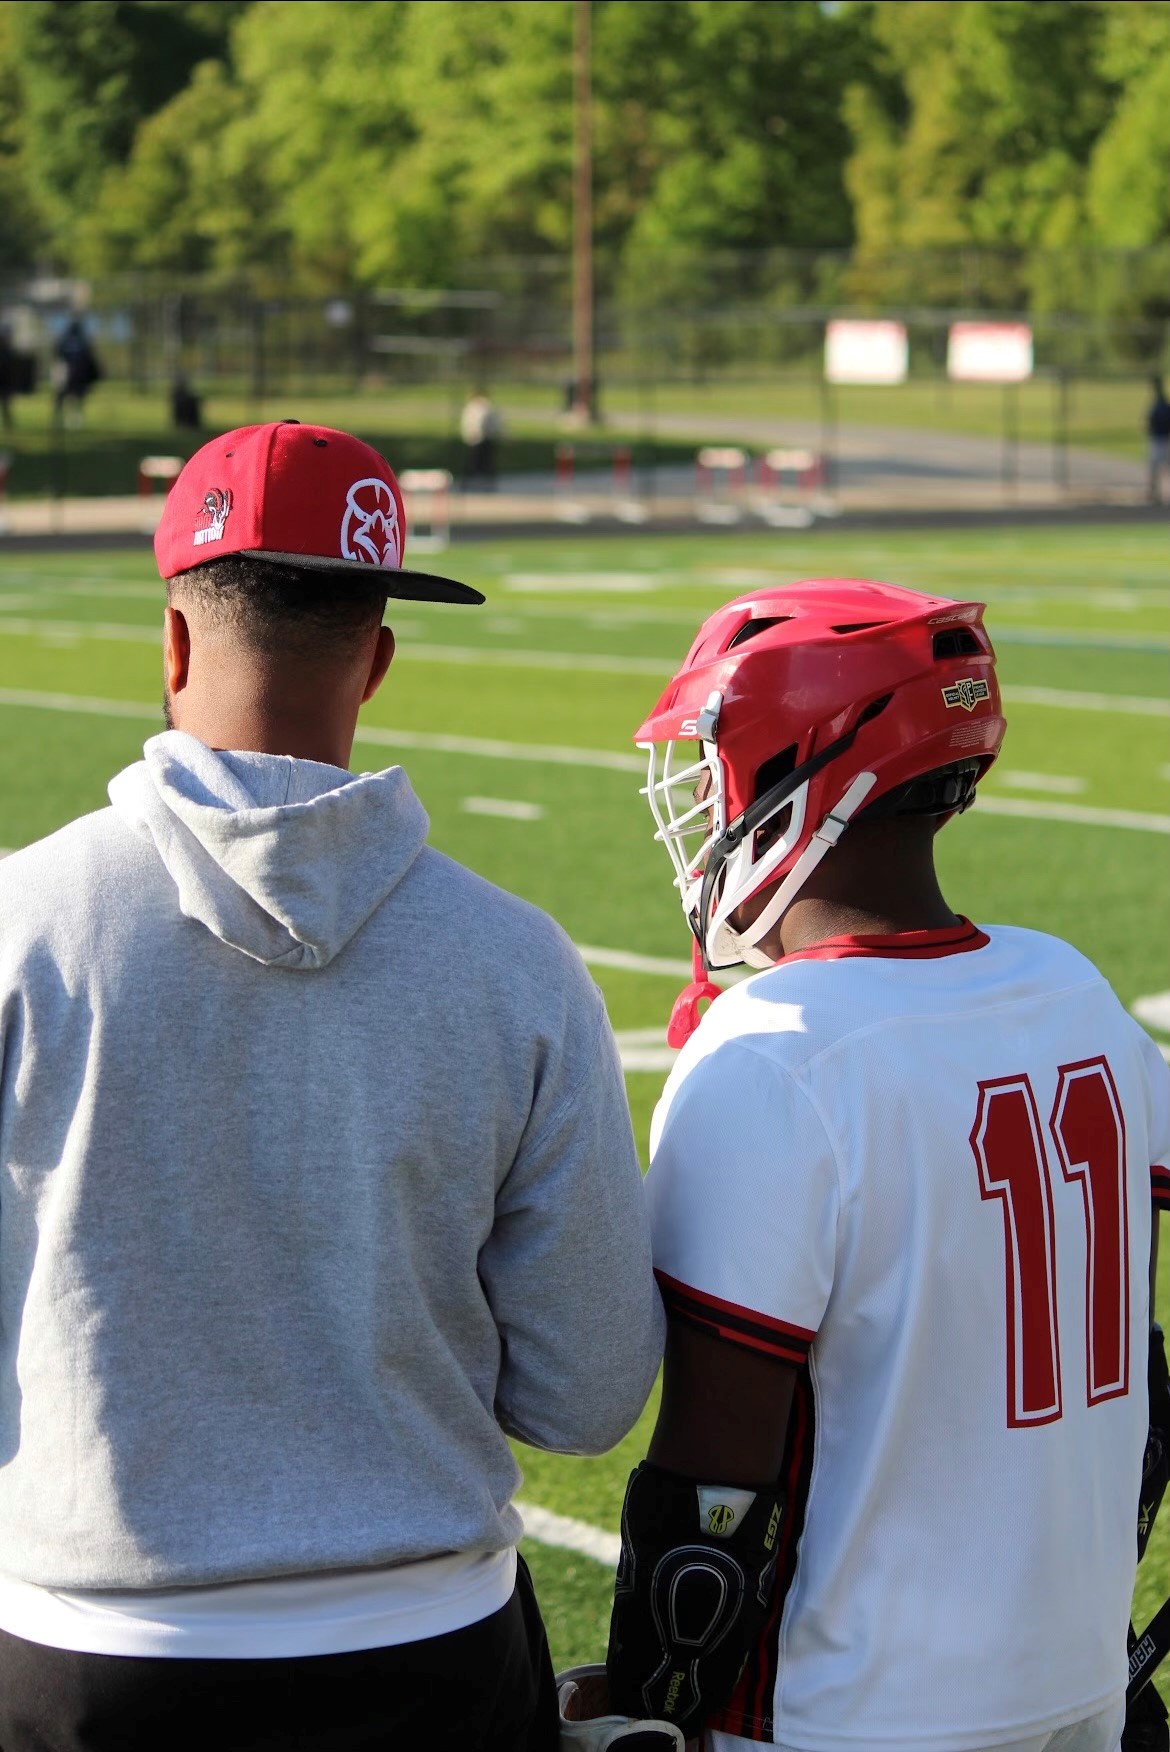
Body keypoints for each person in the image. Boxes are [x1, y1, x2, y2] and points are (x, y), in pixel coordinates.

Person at [0, 419, 664, 1752]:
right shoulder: (517, 961)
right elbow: (588, 1393)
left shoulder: (20, 926)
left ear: (174, 642)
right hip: (430, 1654)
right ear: (377, 660)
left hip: (88, 1655)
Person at [594, 581, 1170, 1752]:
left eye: (720, 761)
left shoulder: (775, 1054)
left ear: (804, 770)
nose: (705, 796)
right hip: (1077, 1688)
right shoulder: (1080, 995)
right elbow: (1140, 1387)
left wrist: (653, 1695)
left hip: (850, 1708)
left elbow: (714, 1489)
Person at [52, 314, 101, 424]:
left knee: (69, 394)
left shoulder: (69, 339)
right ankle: (61, 417)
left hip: (74, 371)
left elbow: (57, 352)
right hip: (69, 371)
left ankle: (70, 416)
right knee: (66, 394)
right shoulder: (74, 339)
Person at [461, 386, 502, 486]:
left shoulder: (482, 407)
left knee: (483, 461)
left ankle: (485, 480)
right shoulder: (477, 407)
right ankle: (470, 480)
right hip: (478, 437)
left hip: (482, 437)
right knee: (477, 460)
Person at [1148, 377, 1170, 504]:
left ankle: (1155, 493)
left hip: (1160, 439)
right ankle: (1155, 493)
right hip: (1161, 439)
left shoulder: (1159, 406)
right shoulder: (1162, 405)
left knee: (1155, 467)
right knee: (1156, 467)